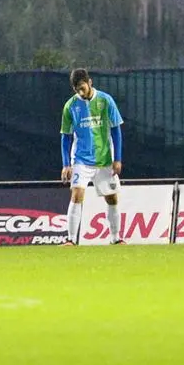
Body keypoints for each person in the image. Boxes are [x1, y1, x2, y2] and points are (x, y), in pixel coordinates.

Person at [60, 69, 125, 246]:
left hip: (105, 159)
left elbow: (116, 130)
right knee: (77, 193)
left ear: (90, 82)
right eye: (77, 89)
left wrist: (117, 158)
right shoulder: (70, 106)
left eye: (82, 87)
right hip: (81, 159)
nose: (81, 92)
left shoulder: (106, 100)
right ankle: (71, 240)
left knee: (111, 197)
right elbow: (65, 136)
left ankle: (116, 238)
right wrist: (66, 164)